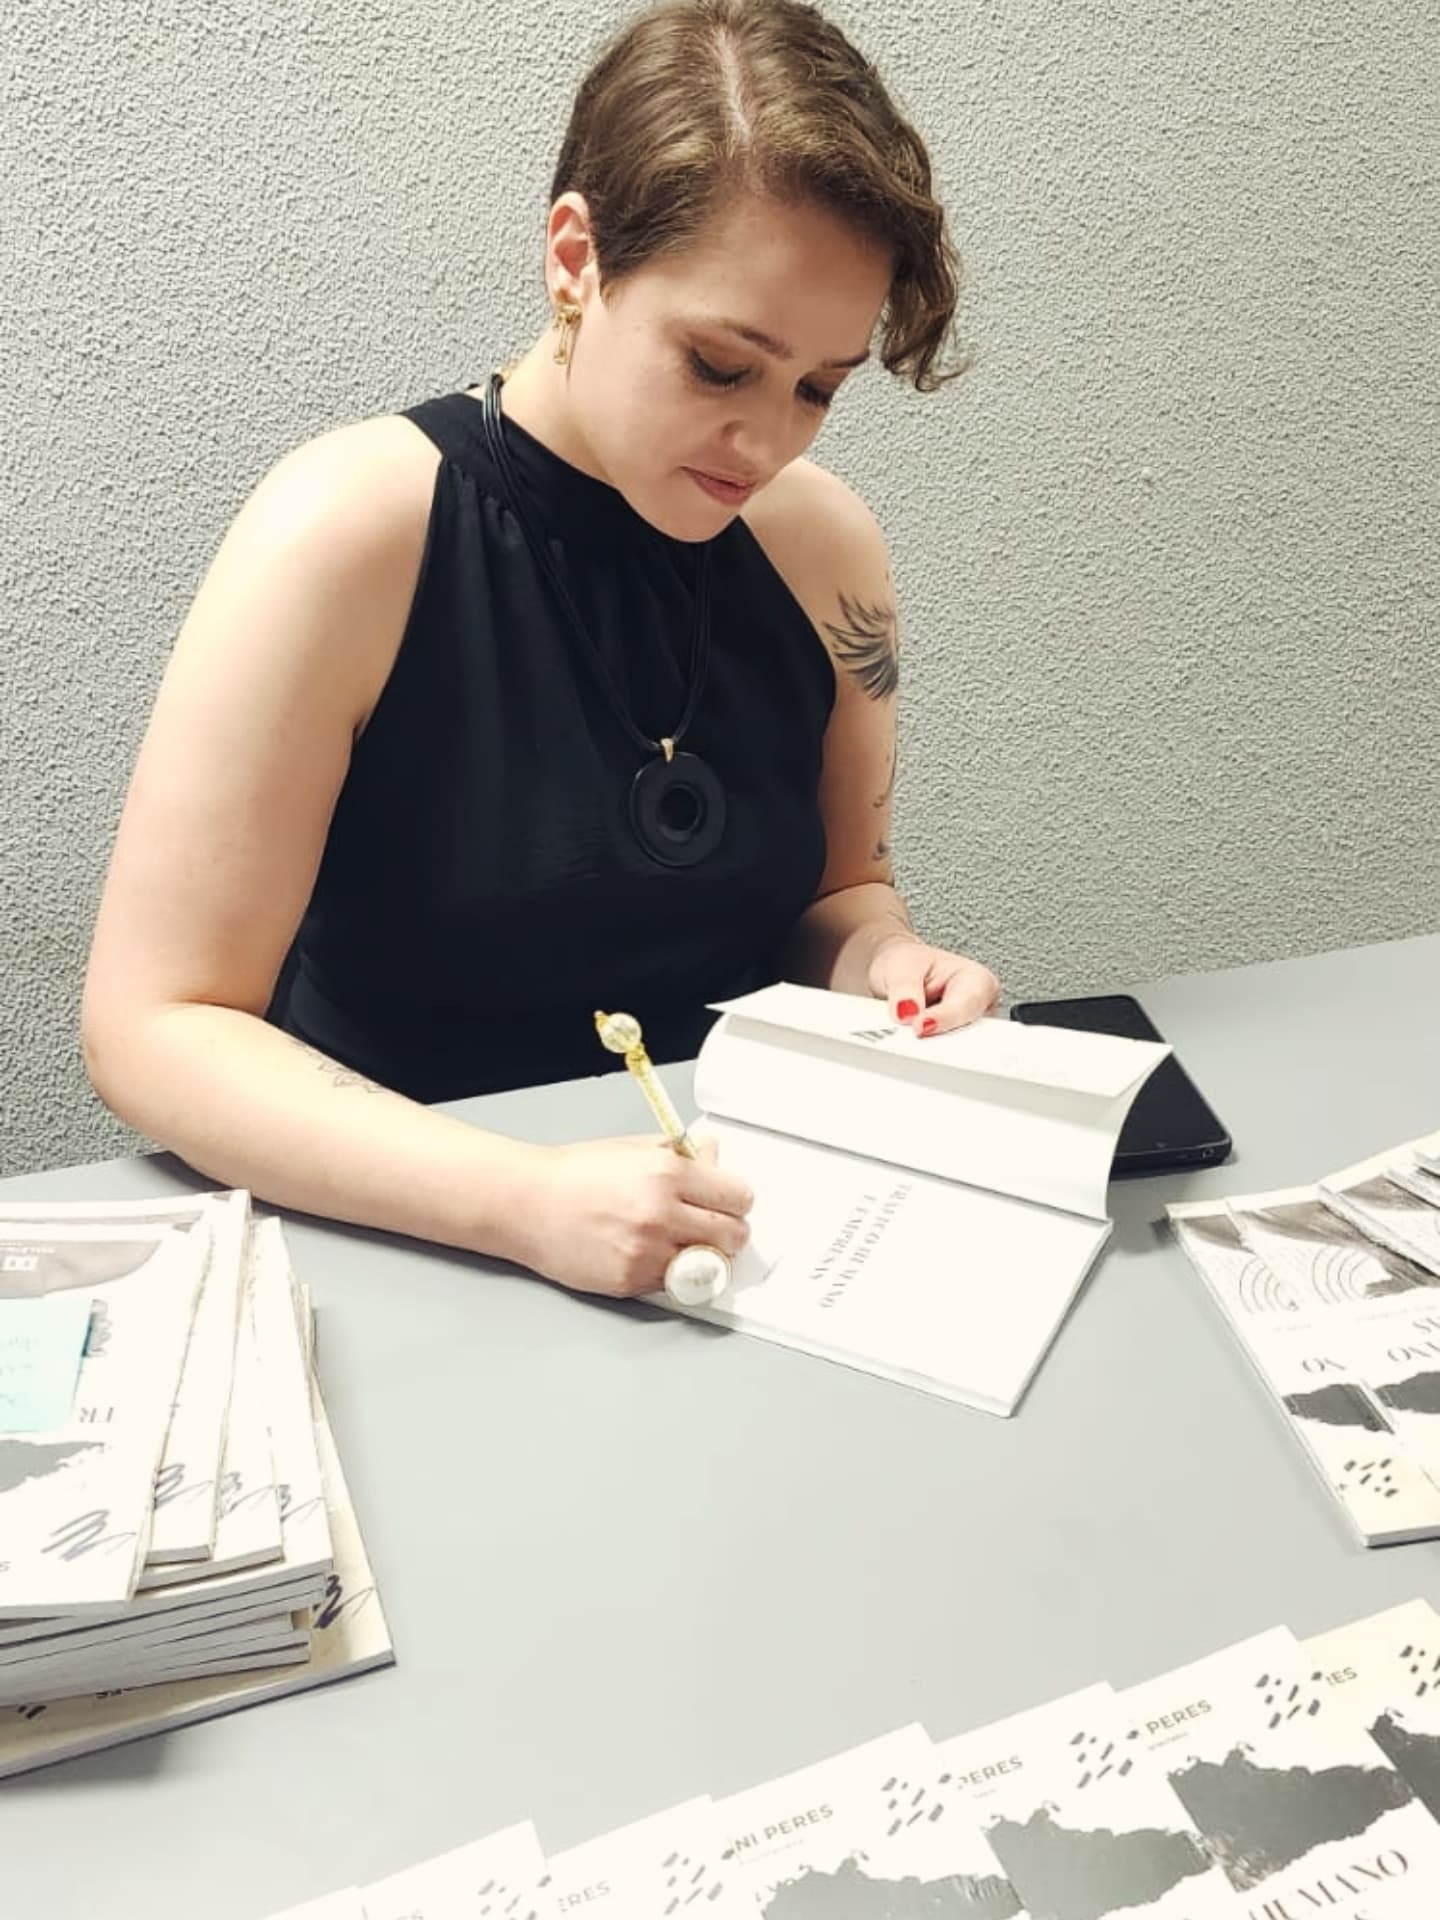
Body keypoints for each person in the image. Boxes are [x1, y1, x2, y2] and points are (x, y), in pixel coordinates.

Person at [81, 0, 1000, 1299]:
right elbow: (152, 1026)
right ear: (578, 256)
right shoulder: (346, 532)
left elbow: (838, 896)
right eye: (719, 364)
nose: (767, 441)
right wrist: (520, 1200)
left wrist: (889, 970)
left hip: (730, 1235)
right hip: (402, 1240)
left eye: (818, 388)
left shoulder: (824, 550)